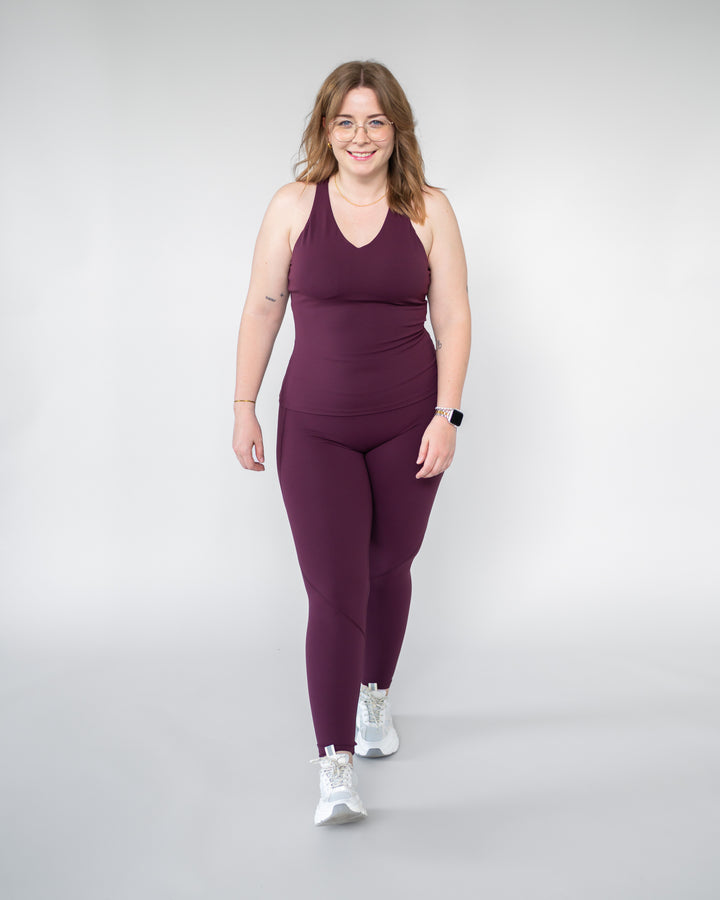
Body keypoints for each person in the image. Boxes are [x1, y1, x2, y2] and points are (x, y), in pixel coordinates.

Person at [232, 60, 471, 825]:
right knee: (335, 590)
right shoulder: (293, 205)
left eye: (374, 121)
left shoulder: (429, 208)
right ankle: (334, 767)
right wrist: (243, 406)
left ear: (395, 130)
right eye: (345, 121)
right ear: (325, 129)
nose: (360, 136)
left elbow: (453, 317)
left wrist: (447, 416)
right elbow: (263, 307)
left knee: (389, 563)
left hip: (409, 423)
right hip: (316, 429)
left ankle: (375, 697)